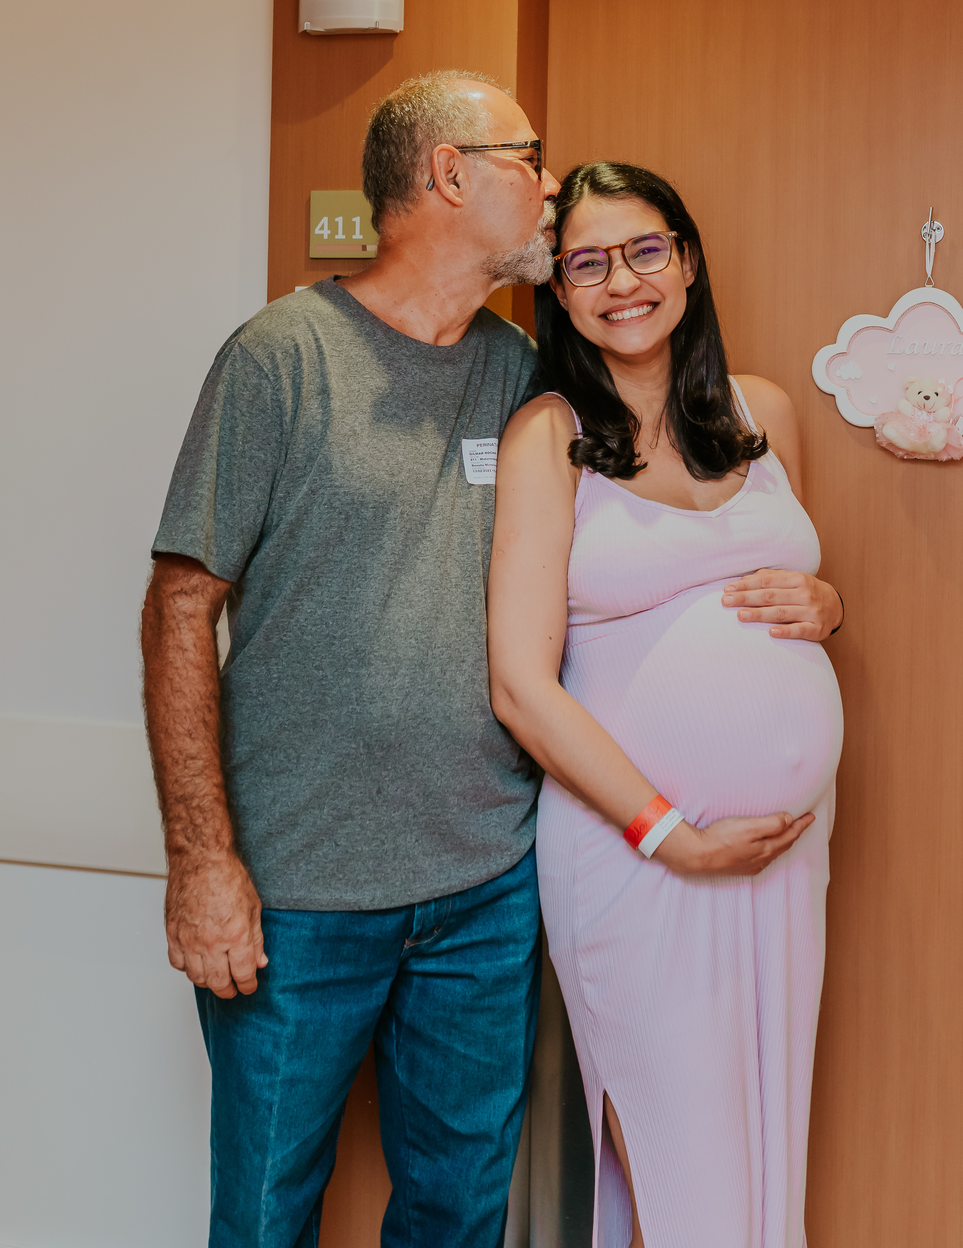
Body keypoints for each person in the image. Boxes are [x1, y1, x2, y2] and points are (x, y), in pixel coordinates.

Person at [142, 70, 561, 1248]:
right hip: (297, 901)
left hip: (484, 888)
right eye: (527, 156)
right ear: (447, 172)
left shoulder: (518, 373)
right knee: (266, 1217)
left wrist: (811, 586)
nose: (550, 183)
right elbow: (181, 608)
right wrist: (201, 863)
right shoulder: (281, 358)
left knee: (458, 1215)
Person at [488, 161, 845, 1248]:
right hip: (634, 859)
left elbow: (779, 592)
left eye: (645, 249)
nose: (622, 281)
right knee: (678, 1176)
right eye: (587, 263)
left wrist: (826, 605)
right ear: (561, 290)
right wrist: (669, 835)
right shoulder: (547, 436)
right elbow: (519, 684)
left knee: (760, 1156)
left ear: (687, 258)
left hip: (783, 857)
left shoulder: (766, 410)